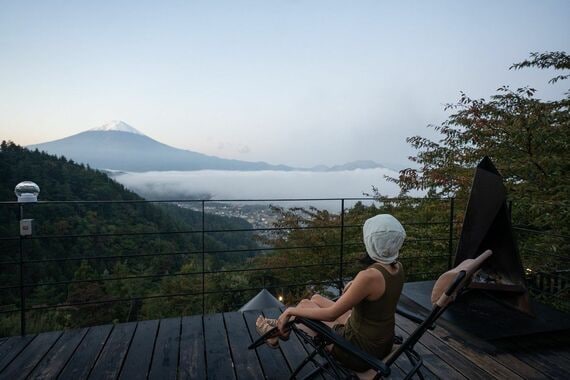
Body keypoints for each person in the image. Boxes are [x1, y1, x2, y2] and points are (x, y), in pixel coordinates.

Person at [256, 214, 406, 372]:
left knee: (304, 306)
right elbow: (376, 289)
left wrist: (290, 310)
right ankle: (280, 329)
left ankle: (278, 331)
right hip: (382, 341)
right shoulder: (397, 268)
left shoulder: (368, 277)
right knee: (316, 298)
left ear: (370, 242)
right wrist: (355, 283)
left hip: (359, 352)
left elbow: (331, 315)